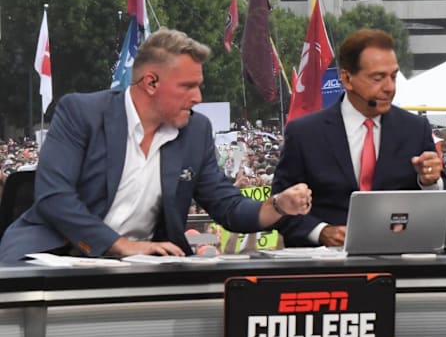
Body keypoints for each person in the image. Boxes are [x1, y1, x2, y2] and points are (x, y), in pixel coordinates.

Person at [0, 28, 312, 262]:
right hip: (55, 254)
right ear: (150, 83)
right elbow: (55, 198)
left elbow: (227, 207)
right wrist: (120, 245)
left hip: (143, 264)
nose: (198, 98)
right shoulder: (81, 112)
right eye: (188, 86)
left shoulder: (196, 130)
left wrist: (277, 206)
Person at [272, 28, 446, 247]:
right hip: (325, 268)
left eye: (393, 76)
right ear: (347, 79)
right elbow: (278, 206)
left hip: (397, 261)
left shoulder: (414, 129)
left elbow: (442, 207)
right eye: (378, 78)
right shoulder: (305, 133)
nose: (389, 88)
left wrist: (430, 182)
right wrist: (321, 232)